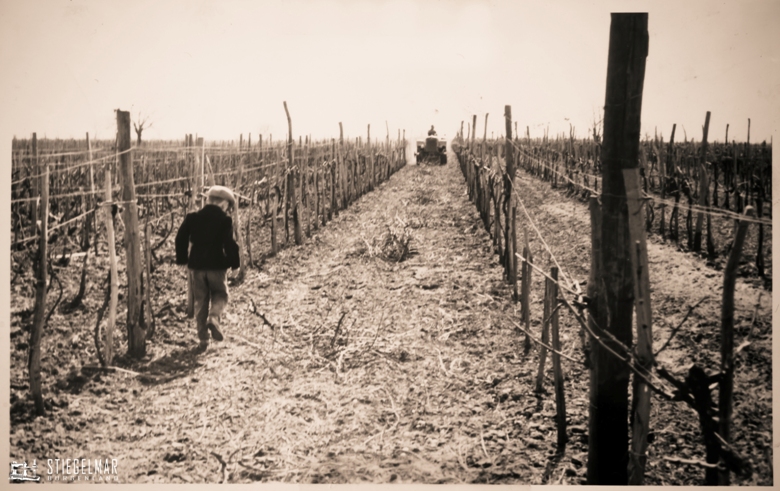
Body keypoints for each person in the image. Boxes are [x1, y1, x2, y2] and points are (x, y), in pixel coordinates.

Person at [175, 185, 240, 353]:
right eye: (228, 206)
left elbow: (180, 237)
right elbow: (230, 244)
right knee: (221, 294)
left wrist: (182, 259)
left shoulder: (193, 217)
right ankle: (214, 317)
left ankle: (203, 339)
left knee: (200, 301)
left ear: (208, 200)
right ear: (224, 204)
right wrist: (235, 264)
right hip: (217, 266)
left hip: (197, 267)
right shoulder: (225, 220)